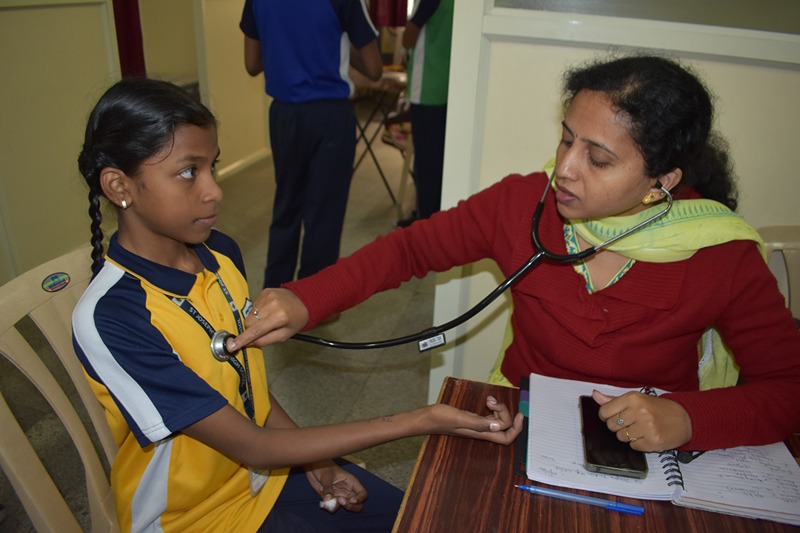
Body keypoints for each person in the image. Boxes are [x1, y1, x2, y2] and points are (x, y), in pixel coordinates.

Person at [230, 54, 800, 456]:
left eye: (598, 159)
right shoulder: (520, 205)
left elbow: (788, 386)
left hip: (652, 440)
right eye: (566, 138)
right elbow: (410, 249)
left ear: (662, 182)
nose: (565, 169)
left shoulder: (720, 254)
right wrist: (308, 298)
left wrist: (688, 418)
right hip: (520, 419)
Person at [71, 78, 522, 532]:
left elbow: (247, 388)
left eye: (213, 166)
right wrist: (421, 418)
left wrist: (317, 464)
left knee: (425, 519)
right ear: (119, 185)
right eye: (189, 171)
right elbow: (252, 445)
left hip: (262, 479)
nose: (214, 190)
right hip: (193, 519)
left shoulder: (220, 253)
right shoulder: (114, 317)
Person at [239, 0, 384, 288]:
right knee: (324, 215)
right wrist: (332, 43)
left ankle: (275, 292)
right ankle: (313, 298)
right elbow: (374, 68)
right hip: (330, 116)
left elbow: (252, 64)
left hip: (284, 115)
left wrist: (287, 49)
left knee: (286, 206)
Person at [397, 0, 454, 227]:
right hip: (447, 86)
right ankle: (425, 215)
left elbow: (408, 38)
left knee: (427, 164)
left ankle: (425, 222)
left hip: (427, 88)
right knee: (436, 161)